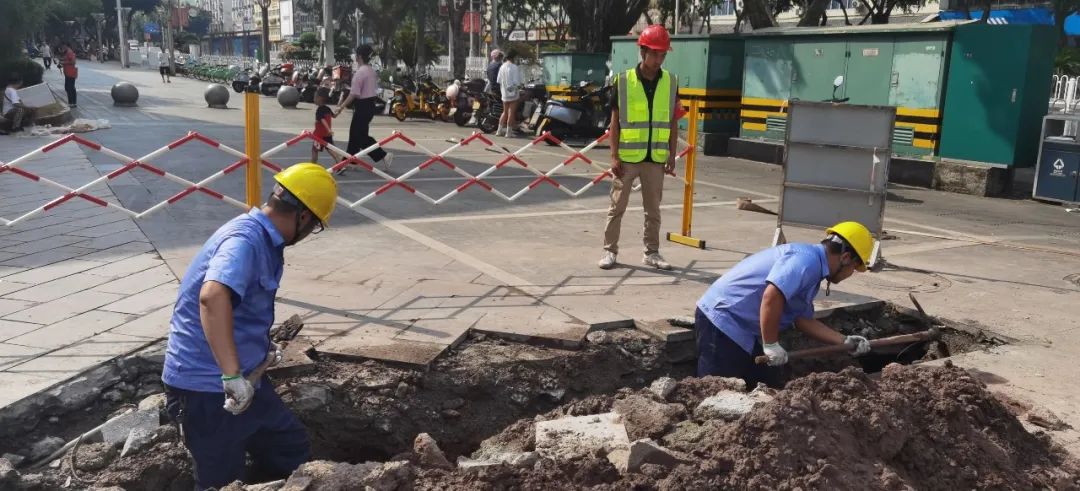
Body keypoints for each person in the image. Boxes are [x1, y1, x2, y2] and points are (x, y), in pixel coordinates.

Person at [162, 163, 337, 490]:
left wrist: (256, 347)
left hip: (247, 378)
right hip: (207, 389)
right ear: (303, 216)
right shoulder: (244, 240)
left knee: (289, 449)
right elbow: (213, 297)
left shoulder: (264, 239)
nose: (311, 232)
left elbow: (240, 305)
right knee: (222, 481)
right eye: (314, 225)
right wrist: (230, 375)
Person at [695, 221, 875, 389]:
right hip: (722, 321)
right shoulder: (806, 261)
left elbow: (802, 320)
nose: (851, 274)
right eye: (854, 268)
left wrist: (844, 341)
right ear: (845, 257)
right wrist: (771, 344)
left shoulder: (814, 270)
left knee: (768, 384)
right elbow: (772, 296)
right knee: (717, 391)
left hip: (741, 328)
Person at [598, 25, 679, 272]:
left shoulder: (671, 82)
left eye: (662, 54)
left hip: (655, 157)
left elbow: (673, 122)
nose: (658, 59)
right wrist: (613, 155)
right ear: (642, 52)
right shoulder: (623, 82)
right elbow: (614, 121)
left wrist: (671, 154)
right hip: (627, 158)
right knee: (617, 207)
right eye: (654, 53)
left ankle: (651, 253)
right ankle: (609, 251)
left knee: (653, 210)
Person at [336, 44, 393, 171]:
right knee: (355, 133)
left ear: (359, 56)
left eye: (356, 54)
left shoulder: (360, 73)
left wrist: (341, 107)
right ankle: (350, 160)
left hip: (362, 106)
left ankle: (383, 155)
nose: (354, 56)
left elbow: (354, 94)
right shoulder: (371, 71)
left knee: (360, 136)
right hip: (370, 105)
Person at [496, 49, 523, 138]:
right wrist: (518, 87)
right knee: (511, 112)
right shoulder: (514, 67)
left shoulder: (502, 67)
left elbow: (499, 80)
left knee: (505, 112)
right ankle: (508, 132)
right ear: (514, 57)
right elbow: (517, 82)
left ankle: (499, 131)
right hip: (513, 93)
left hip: (504, 93)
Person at [311, 87, 340, 166]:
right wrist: (339, 111)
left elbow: (322, 120)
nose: (314, 99)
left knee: (314, 150)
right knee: (330, 149)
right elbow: (334, 116)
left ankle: (312, 165)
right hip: (327, 135)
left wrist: (328, 129)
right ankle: (340, 164)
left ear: (320, 98)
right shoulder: (327, 108)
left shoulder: (319, 110)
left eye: (315, 97)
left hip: (319, 135)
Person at [58, 43, 77, 108]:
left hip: (70, 72)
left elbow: (73, 62)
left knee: (69, 88)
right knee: (70, 87)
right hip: (68, 72)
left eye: (63, 47)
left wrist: (63, 63)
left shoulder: (70, 52)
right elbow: (68, 60)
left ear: (66, 46)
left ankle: (72, 103)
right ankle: (72, 102)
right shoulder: (67, 53)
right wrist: (61, 62)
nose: (62, 49)